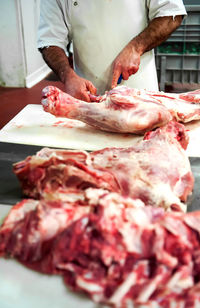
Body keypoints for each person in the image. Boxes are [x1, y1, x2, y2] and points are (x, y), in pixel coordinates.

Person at [38, 0, 186, 102]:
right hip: (88, 95)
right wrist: (68, 76)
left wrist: (136, 47)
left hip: (140, 93)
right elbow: (50, 40)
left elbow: (171, 12)